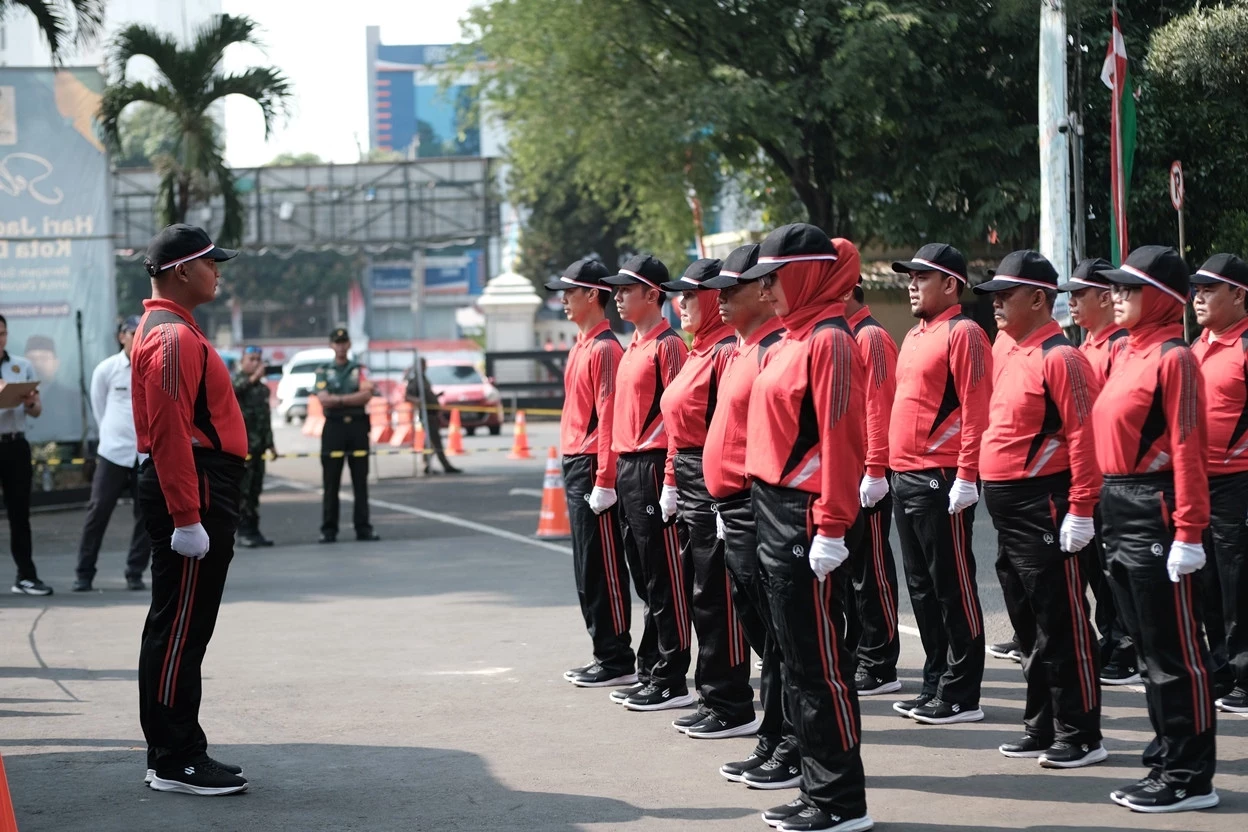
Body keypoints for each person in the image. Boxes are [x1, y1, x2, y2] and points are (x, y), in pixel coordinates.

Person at [742, 225, 872, 832]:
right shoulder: (787, 340)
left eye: (773, 277)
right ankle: (815, 783)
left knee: (820, 664)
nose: (764, 289)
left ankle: (840, 799)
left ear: (803, 274)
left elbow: (842, 440)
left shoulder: (830, 342)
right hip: (770, 508)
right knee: (794, 660)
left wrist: (832, 525)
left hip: (804, 515)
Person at [1094, 246, 1218, 813]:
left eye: (1129, 288)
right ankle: (1168, 751)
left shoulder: (1175, 357)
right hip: (1117, 501)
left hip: (1157, 506)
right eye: (1115, 288)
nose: (1117, 296)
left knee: (1173, 648)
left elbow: (1190, 448)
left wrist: (1190, 532)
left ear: (1163, 298)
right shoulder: (1125, 352)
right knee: (1145, 644)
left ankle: (1190, 774)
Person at [972, 250, 1106, 769]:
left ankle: (1081, 732)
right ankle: (1043, 722)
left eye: (1007, 294)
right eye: (994, 295)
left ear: (1039, 298)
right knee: (1025, 621)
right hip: (1007, 509)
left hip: (1043, 502)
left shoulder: (1062, 357)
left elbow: (1085, 439)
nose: (997, 303)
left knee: (1062, 620)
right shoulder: (1006, 345)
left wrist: (1081, 509)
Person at [132, 223, 249, 795]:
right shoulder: (172, 337)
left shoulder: (172, 329)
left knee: (180, 626)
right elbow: (171, 433)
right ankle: (176, 757)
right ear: (182, 271)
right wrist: (186, 516)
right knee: (180, 628)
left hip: (201, 482)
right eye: (210, 262)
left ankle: (174, 750)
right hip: (195, 484)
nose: (217, 271)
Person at [702, 244, 800, 789]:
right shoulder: (740, 350)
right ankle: (773, 736)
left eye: (732, 289)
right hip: (733, 509)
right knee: (765, 635)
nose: (720, 299)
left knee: (782, 638)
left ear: (763, 293)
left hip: (758, 509)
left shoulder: (772, 349)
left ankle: (787, 743)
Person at [888, 243, 991, 725]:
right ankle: (935, 681)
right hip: (904, 473)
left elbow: (976, 409)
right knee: (921, 586)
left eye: (921, 277)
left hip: (940, 475)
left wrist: (967, 475)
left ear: (950, 284)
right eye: (910, 276)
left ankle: (962, 691)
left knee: (952, 586)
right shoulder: (913, 334)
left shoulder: (964, 332)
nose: (911, 284)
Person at [658, 258, 756, 739]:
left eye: (692, 295)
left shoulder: (724, 353)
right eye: (680, 295)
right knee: (702, 593)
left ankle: (732, 700)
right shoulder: (697, 352)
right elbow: (678, 428)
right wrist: (673, 479)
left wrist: (722, 494)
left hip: (716, 477)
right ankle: (713, 692)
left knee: (719, 592)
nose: (682, 303)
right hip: (692, 475)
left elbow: (729, 428)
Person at [600, 254, 692, 712]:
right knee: (644, 575)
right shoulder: (633, 344)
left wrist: (671, 478)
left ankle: (671, 674)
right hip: (628, 466)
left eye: (626, 289)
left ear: (653, 294)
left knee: (665, 576)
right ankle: (651, 666)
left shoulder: (669, 346)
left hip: (654, 465)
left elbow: (678, 418)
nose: (616, 296)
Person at [543, 259, 638, 689]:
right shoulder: (581, 344)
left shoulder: (605, 349)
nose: (562, 299)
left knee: (603, 566)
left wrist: (604, 478)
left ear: (592, 295)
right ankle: (604, 651)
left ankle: (617, 656)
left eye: (570, 291)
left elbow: (610, 420)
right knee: (585, 565)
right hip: (575, 462)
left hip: (592, 467)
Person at [1057, 257, 1137, 684]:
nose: (1071, 301)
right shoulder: (1084, 347)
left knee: (1111, 569)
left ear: (1106, 297)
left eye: (1079, 293)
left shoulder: (1120, 345)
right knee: (1092, 567)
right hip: (1085, 474)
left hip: (1111, 475)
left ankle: (1124, 647)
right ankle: (1110, 639)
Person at [1190, 252, 1248, 714]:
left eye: (1210, 289)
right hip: (1198, 483)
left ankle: (1246, 676)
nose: (1198, 297)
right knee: (1205, 583)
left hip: (1238, 484)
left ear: (1239, 295)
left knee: (1238, 584)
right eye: (1196, 289)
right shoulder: (1196, 347)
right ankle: (1221, 670)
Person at [842, 281, 901, 697]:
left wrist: (875, 468)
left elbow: (879, 406)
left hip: (867, 472)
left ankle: (879, 662)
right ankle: (859, 650)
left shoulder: (871, 337)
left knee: (871, 570)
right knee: (848, 574)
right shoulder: (840, 336)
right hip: (844, 471)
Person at [73, 315, 151, 592]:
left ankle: (135, 571)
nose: (139, 337)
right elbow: (99, 410)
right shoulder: (107, 369)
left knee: (148, 516)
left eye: (143, 331)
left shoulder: (152, 368)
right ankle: (84, 573)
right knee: (98, 511)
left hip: (144, 455)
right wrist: (113, 434)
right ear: (122, 337)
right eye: (134, 332)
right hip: (113, 452)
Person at [316, 328, 380, 544]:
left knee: (360, 480)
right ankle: (329, 529)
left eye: (344, 342)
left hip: (358, 428)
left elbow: (367, 394)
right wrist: (350, 399)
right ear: (332, 345)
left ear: (349, 345)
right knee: (331, 482)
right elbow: (323, 399)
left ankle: (363, 528)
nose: (341, 346)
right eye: (337, 342)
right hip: (333, 428)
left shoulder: (359, 369)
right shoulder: (324, 370)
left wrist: (340, 400)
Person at [0, 314, 48, 595]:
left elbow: (37, 410)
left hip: (16, 444)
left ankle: (26, 576)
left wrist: (30, 403)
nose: (0, 339)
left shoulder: (22, 366)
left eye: (3, 333)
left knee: (20, 515)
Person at [233, 346, 276, 548]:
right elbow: (234, 392)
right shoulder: (237, 381)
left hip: (258, 447)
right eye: (251, 359)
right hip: (243, 448)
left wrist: (271, 444)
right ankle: (243, 531)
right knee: (243, 491)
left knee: (255, 490)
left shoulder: (262, 389)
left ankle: (254, 529)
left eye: (259, 359)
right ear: (242, 361)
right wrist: (252, 379)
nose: (256, 363)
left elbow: (265, 420)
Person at [405, 359, 462, 475]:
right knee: (436, 441)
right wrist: (418, 401)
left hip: (432, 413)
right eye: (422, 365)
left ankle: (427, 464)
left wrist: (436, 397)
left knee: (430, 442)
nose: (425, 367)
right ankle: (445, 465)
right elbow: (407, 396)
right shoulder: (416, 380)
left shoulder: (423, 378)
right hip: (427, 414)